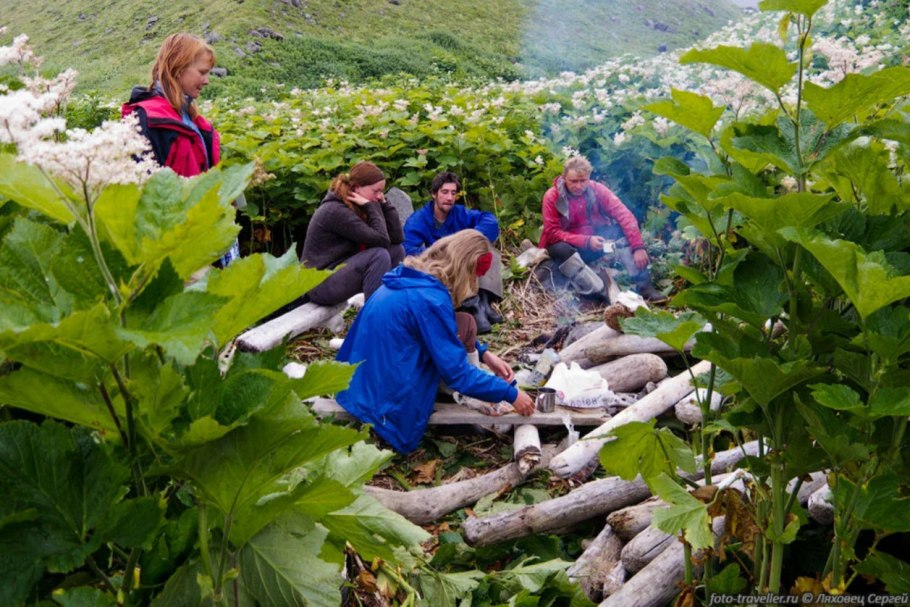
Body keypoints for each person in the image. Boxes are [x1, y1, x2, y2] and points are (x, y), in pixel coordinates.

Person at [336, 229, 535, 453]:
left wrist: (484, 354)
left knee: (464, 321)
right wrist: (511, 394)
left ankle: (462, 392)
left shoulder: (412, 279)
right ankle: (453, 400)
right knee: (454, 366)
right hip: (380, 404)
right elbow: (457, 374)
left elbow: (440, 331)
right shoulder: (430, 300)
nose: (473, 284)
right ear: (464, 268)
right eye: (473, 276)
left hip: (356, 383)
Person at [122, 33, 239, 267]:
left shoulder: (191, 119)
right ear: (178, 68)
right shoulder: (145, 120)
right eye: (202, 72)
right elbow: (140, 193)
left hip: (202, 238)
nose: (206, 81)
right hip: (175, 248)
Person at [539, 156, 666, 302]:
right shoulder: (552, 196)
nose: (579, 186)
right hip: (566, 250)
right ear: (564, 178)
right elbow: (552, 233)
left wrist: (638, 247)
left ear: (589, 177)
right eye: (573, 181)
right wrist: (585, 241)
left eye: (583, 181)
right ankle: (600, 292)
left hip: (594, 244)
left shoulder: (597, 190)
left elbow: (624, 215)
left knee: (620, 232)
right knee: (560, 248)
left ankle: (645, 287)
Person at [403, 171, 504, 332]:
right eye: (444, 192)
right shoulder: (418, 220)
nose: (449, 197)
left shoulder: (460, 213)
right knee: (454, 260)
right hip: (439, 271)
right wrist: (446, 250)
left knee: (486, 249)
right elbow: (410, 252)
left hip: (466, 271)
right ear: (434, 194)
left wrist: (471, 240)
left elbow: (490, 221)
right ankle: (470, 306)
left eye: (453, 193)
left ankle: (485, 301)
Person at [299, 161, 405, 305]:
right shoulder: (335, 211)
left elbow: (397, 238)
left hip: (341, 272)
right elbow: (382, 240)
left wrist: (385, 205)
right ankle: (375, 313)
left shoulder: (361, 204)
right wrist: (371, 207)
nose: (380, 196)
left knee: (396, 250)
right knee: (378, 255)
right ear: (356, 188)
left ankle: (391, 304)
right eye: (376, 191)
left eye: (382, 191)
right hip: (319, 284)